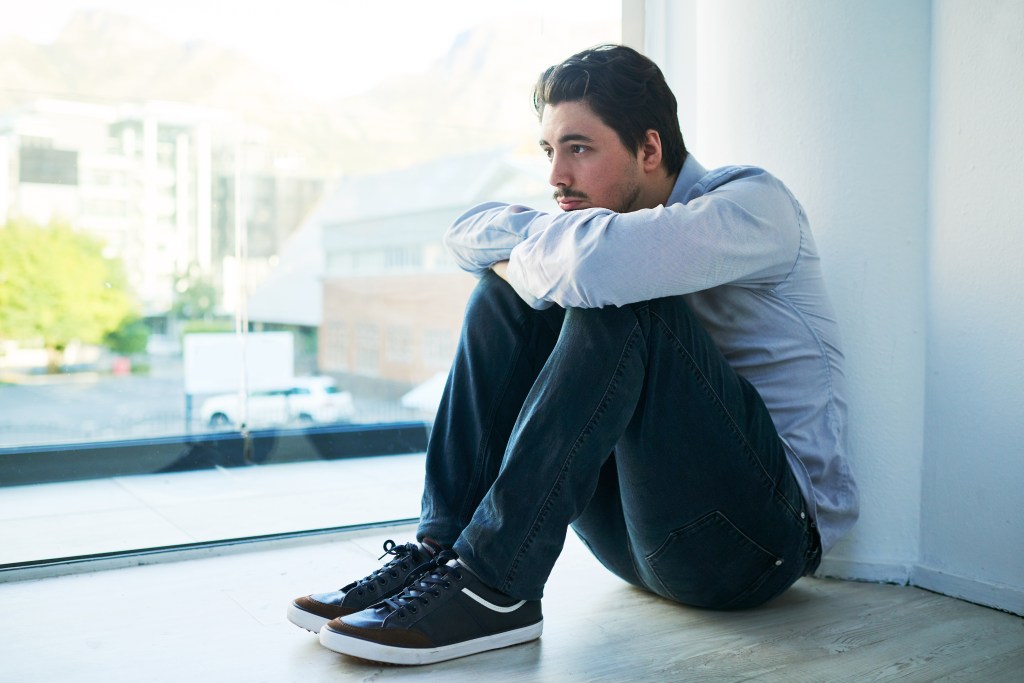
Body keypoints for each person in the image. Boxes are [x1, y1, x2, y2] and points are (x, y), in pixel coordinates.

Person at [287, 43, 858, 666]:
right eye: (548, 150)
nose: (556, 175)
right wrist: (527, 256)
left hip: (757, 544)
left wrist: (526, 248)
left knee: (621, 298)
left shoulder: (752, 206)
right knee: (505, 295)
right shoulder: (591, 219)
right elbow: (464, 235)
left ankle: (496, 587)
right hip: (638, 540)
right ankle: (442, 554)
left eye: (579, 149)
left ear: (649, 149)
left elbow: (601, 265)